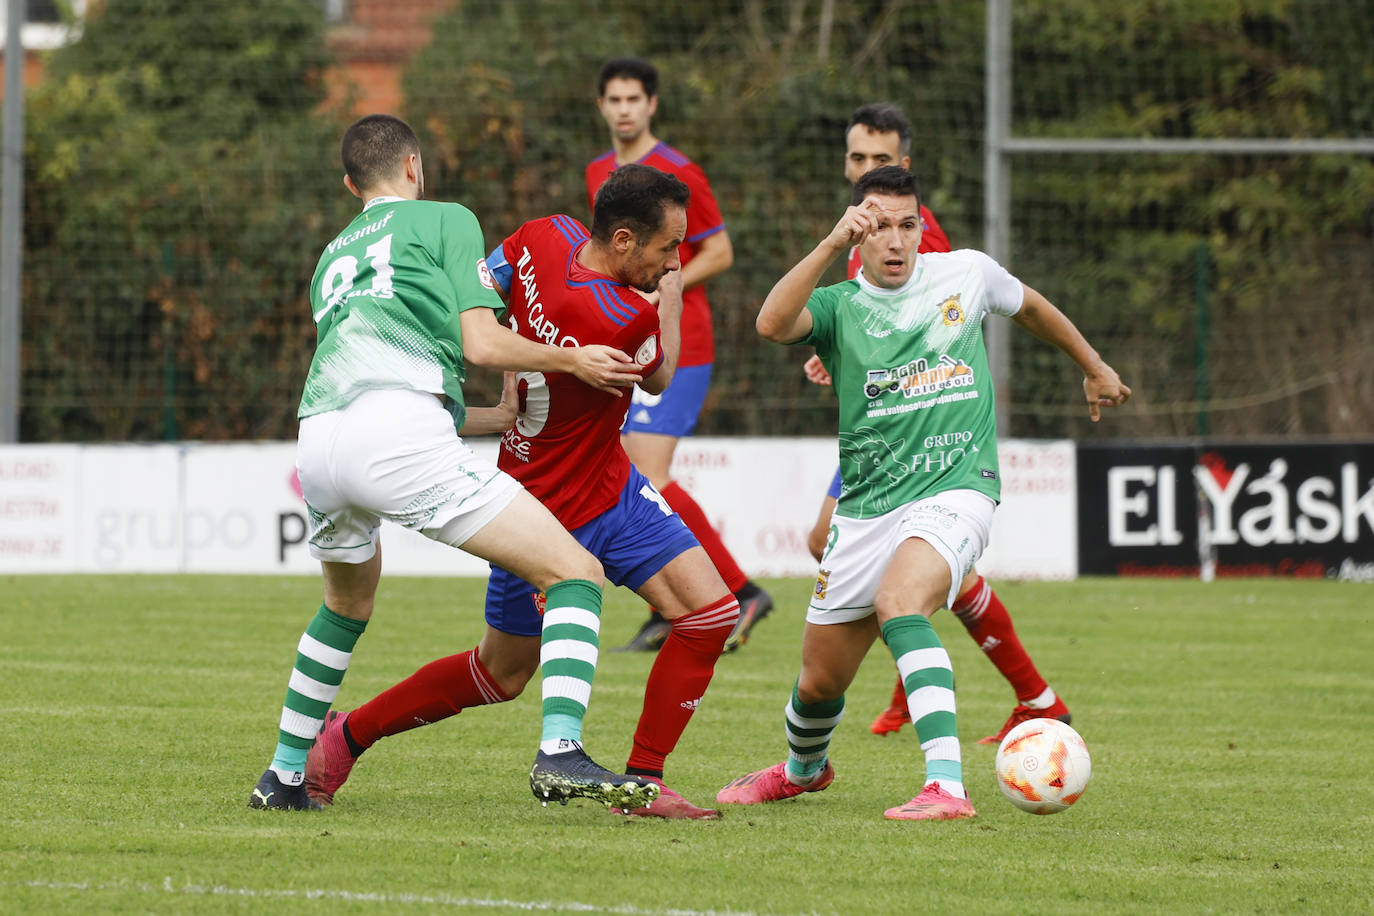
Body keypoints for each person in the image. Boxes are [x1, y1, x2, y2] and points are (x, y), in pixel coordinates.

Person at [249, 114, 660, 814]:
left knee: (346, 604)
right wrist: (571, 358)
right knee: (576, 574)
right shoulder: (445, 219)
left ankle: (284, 776)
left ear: (352, 184)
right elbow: (481, 344)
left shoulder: (333, 257)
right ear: (415, 167)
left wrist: (491, 421)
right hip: (396, 437)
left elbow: (386, 373)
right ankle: (561, 753)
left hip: (319, 438)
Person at [303, 164, 740, 819]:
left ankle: (642, 784)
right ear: (623, 241)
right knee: (499, 674)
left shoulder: (543, 234)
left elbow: (479, 298)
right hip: (543, 509)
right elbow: (662, 375)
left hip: (607, 484)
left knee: (709, 615)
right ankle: (347, 735)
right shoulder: (622, 316)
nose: (673, 260)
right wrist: (672, 294)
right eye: (667, 249)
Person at [717, 166, 1129, 820]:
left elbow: (1036, 308)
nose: (896, 240)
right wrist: (827, 246)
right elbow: (772, 322)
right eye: (879, 226)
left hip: (957, 488)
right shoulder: (841, 305)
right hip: (866, 507)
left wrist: (1094, 366)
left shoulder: (964, 273)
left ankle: (946, 787)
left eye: (907, 225)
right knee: (819, 680)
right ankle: (803, 771)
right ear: (858, 234)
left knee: (900, 601)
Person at [805, 103, 1075, 745]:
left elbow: (942, 324)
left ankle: (1005, 692)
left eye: (882, 160)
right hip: (876, 430)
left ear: (905, 168)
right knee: (828, 542)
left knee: (903, 570)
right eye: (858, 159)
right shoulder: (854, 240)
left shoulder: (918, 238)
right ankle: (1033, 694)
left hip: (924, 430)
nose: (869, 169)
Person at [586, 56, 772, 653]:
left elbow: (719, 250)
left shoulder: (678, 171)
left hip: (681, 345)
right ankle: (675, 602)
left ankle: (738, 591)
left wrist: (668, 283)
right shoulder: (599, 174)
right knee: (636, 474)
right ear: (602, 107)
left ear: (652, 105)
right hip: (628, 342)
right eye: (613, 100)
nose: (623, 110)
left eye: (632, 99)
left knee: (650, 475)